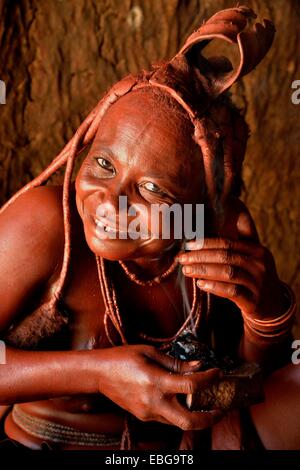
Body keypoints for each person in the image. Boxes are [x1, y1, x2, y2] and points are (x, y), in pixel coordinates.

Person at [0, 6, 298, 450]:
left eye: (153, 190)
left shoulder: (213, 235)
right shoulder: (46, 225)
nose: (111, 202)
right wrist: (99, 374)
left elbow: (251, 386)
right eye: (102, 163)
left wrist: (267, 316)